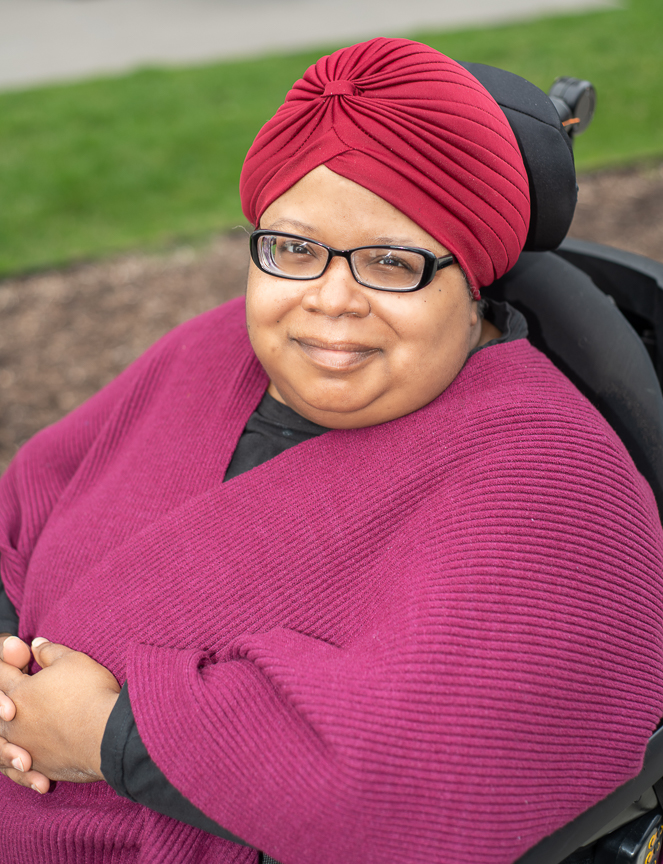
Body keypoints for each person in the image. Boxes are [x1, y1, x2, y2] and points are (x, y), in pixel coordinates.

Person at [0, 37, 662, 864]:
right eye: (293, 249)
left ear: (475, 279)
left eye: (391, 262)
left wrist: (109, 737)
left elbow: (430, 781)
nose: (330, 303)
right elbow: (22, 511)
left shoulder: (548, 479)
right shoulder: (210, 353)